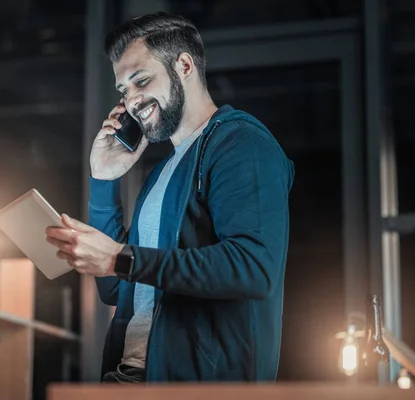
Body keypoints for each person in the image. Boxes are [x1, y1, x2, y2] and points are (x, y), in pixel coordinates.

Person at [45, 11, 295, 383]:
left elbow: (253, 269)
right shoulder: (163, 172)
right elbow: (116, 287)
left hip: (198, 388)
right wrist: (103, 180)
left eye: (141, 80)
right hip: (130, 378)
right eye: (123, 90)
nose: (131, 101)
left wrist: (121, 258)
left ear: (184, 65)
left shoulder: (242, 144)